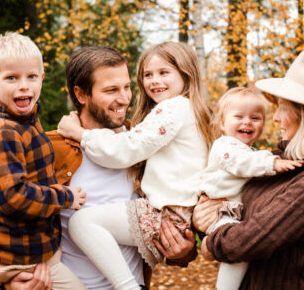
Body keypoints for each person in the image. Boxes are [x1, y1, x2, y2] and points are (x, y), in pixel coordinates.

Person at [194, 49, 304, 289]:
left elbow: (250, 240)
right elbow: (232, 212)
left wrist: (209, 245)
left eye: (282, 107)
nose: (276, 118)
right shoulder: (279, 161)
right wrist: (202, 218)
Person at [57, 41, 213, 290]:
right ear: (81, 94)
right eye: (147, 75)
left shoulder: (143, 134)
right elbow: (16, 206)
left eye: (127, 87)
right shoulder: (53, 148)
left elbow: (124, 150)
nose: (124, 98)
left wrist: (184, 252)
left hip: (161, 227)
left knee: (82, 222)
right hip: (71, 284)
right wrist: (13, 271)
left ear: (186, 74)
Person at [0, 32, 86, 290]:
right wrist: (65, 197)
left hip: (34, 247)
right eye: (11, 78)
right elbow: (12, 197)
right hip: (21, 257)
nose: (23, 85)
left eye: (31, 76)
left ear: (42, 79)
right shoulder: (3, 132)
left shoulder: (26, 120)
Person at [198, 87, 303, 290]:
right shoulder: (225, 147)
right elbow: (241, 162)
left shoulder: (249, 151)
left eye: (255, 118)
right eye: (239, 116)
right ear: (222, 122)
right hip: (219, 212)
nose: (247, 122)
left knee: (238, 246)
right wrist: (272, 163)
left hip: (230, 212)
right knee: (237, 249)